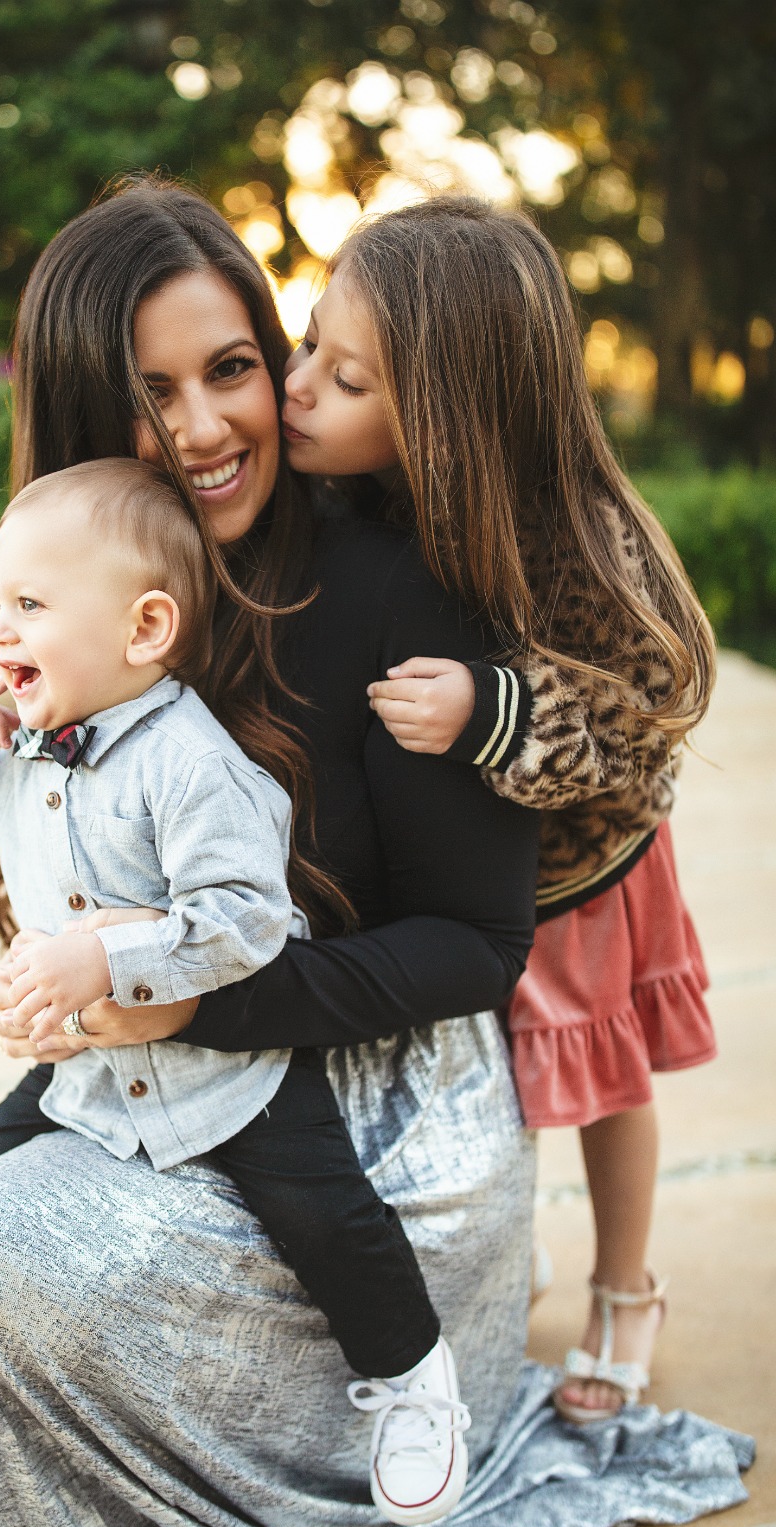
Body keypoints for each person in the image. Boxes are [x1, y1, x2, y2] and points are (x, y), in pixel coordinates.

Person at [0, 180, 747, 1527]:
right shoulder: (81, 610)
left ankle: (400, 1397)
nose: (207, 426)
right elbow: (55, 897)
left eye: (235, 367)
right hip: (177, 1081)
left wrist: (198, 1002)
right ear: (84, 417)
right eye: (149, 392)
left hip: (387, 1125)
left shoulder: (403, 592)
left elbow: (478, 950)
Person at [0, 456, 470, 1524]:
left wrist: (98, 960)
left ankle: (413, 1380)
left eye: (30, 605)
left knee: (325, 1214)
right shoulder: (28, 753)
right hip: (103, 1070)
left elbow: (248, 922)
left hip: (231, 1068)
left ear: (146, 627)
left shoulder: (190, 763)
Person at [282, 195, 717, 1425]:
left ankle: (626, 1284)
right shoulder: (366, 499)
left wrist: (497, 707)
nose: (302, 387)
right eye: (309, 345)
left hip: (582, 873)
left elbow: (657, 709)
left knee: (600, 1079)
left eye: (344, 375)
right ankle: (494, 1253)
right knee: (491, 1077)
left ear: (448, 414)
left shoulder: (581, 537)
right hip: (466, 883)